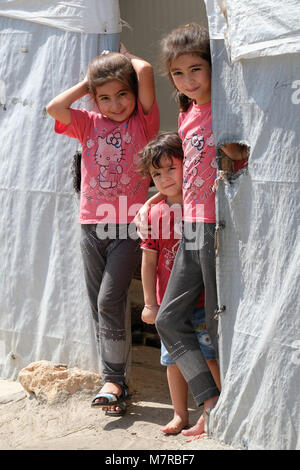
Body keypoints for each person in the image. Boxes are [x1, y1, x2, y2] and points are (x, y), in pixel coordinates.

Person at [135, 24, 247, 438]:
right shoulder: (187, 113)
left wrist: (233, 150)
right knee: (168, 318)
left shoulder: (226, 106)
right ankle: (211, 399)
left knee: (217, 323)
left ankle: (221, 408)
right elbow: (183, 172)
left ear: (214, 67)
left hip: (219, 224)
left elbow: (240, 153)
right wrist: (155, 198)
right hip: (192, 225)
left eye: (196, 69)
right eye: (178, 74)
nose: (188, 81)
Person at [46, 44, 160, 416]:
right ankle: (116, 380)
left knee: (109, 301)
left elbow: (144, 70)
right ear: (95, 100)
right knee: (100, 308)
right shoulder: (88, 122)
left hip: (127, 228)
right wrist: (87, 85)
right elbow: (54, 108)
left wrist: (126, 59)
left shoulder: (143, 123)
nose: (115, 104)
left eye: (122, 94)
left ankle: (113, 379)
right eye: (105, 98)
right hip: (90, 227)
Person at [138, 132, 221, 435]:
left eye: (171, 168)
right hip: (169, 304)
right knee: (172, 362)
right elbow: (148, 261)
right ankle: (179, 413)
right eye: (156, 174)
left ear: (189, 165)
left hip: (199, 303)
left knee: (209, 357)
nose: (164, 178)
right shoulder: (155, 214)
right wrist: (149, 302)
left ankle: (212, 412)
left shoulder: (196, 206)